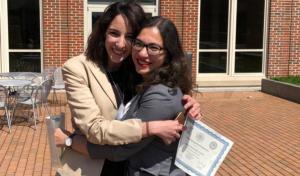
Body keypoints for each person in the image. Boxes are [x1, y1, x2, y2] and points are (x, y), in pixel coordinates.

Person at [56, 2, 201, 176]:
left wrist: (187, 102)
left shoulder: (137, 66)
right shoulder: (78, 68)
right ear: (102, 33)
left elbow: (162, 95)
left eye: (130, 37)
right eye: (114, 33)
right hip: (89, 166)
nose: (121, 44)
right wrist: (147, 128)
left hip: (126, 165)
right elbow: (94, 128)